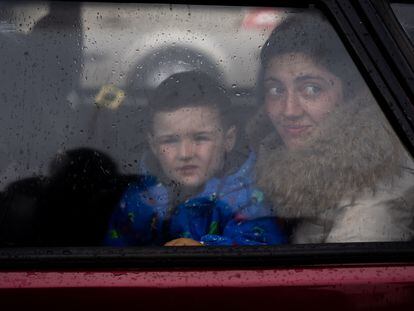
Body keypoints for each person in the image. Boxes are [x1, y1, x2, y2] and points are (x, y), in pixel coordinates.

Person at [253, 12, 414, 243]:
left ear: (349, 97)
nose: (289, 111)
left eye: (311, 89)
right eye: (276, 90)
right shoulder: (267, 159)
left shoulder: (369, 213)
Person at [105, 71, 286, 246]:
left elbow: (261, 252)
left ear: (228, 140)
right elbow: (114, 259)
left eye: (200, 138)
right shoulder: (139, 199)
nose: (185, 153)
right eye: (170, 140)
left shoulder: (249, 198)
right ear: (153, 145)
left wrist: (202, 251)